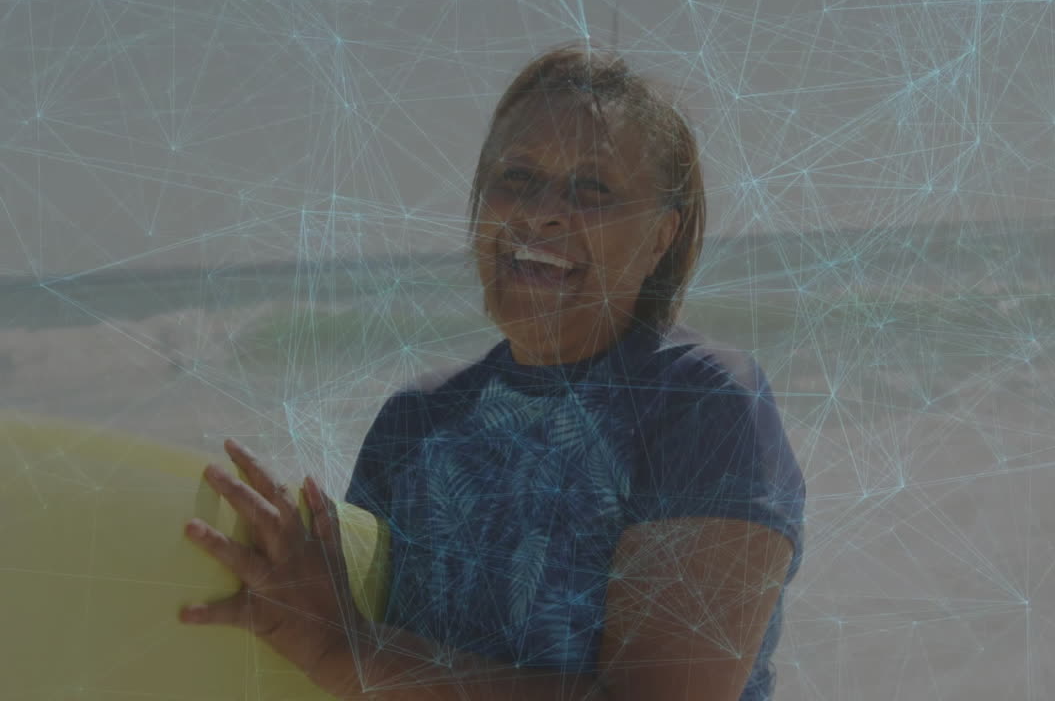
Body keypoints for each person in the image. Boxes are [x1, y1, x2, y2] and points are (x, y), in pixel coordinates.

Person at [179, 42, 806, 701]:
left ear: (662, 237)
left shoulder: (699, 402)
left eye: (591, 187)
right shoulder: (417, 422)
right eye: (516, 176)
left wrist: (346, 654)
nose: (540, 211)